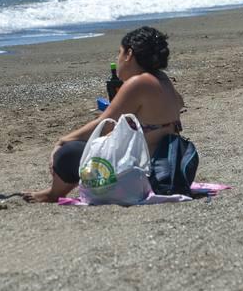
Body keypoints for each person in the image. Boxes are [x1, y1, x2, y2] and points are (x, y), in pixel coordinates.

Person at [23, 27, 185, 204]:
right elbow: (177, 103)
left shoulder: (138, 83)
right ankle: (55, 190)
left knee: (67, 153)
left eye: (119, 53)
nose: (118, 58)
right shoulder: (162, 79)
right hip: (165, 164)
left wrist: (62, 141)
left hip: (140, 171)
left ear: (129, 54)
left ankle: (53, 193)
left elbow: (104, 124)